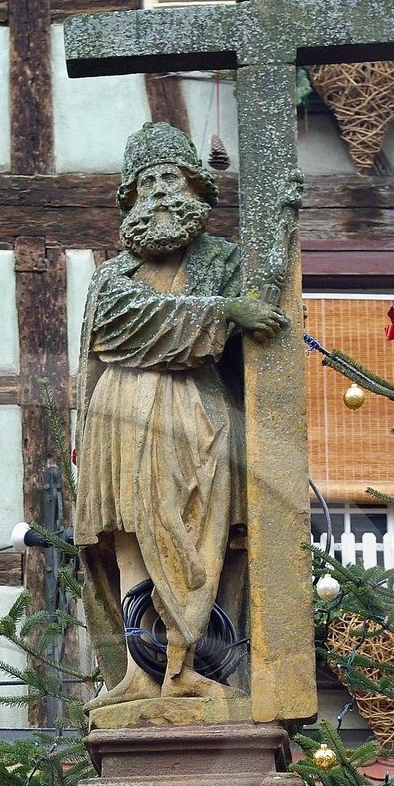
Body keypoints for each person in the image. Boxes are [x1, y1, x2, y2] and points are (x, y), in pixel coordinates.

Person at [74, 120, 282, 708]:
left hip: (193, 414)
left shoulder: (223, 260)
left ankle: (185, 665)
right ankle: (140, 674)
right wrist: (222, 311)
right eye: (147, 183)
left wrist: (280, 226)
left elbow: (265, 315)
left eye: (171, 178)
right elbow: (116, 328)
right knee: (128, 539)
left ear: (196, 187)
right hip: (116, 418)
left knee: (193, 534)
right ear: (131, 198)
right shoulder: (112, 276)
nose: (160, 191)